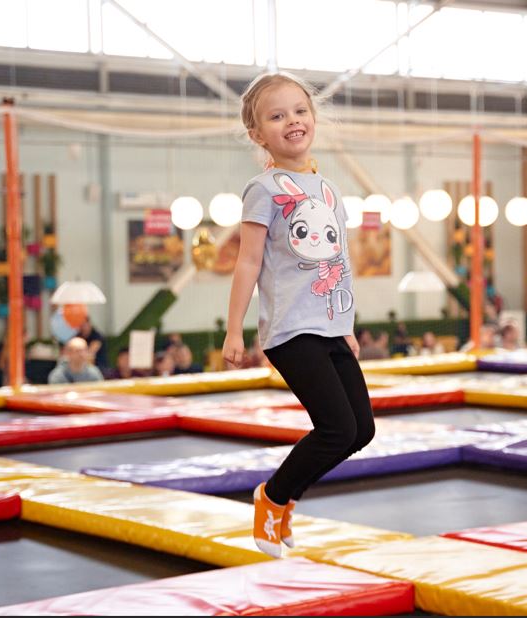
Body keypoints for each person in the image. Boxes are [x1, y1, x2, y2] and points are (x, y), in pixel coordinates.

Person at [221, 71, 374, 558]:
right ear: (257, 133)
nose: (293, 121)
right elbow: (247, 261)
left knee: (361, 431)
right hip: (290, 330)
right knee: (336, 428)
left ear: (313, 118)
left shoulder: (327, 187)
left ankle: (283, 498)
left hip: (330, 325)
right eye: (277, 115)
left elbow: (338, 263)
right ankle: (271, 499)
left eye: (300, 111)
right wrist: (233, 332)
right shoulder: (262, 189)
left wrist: (346, 328)